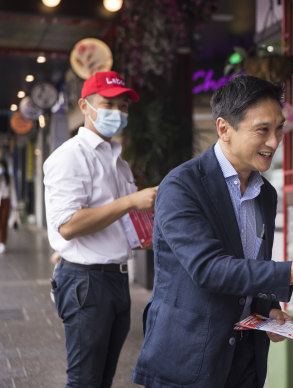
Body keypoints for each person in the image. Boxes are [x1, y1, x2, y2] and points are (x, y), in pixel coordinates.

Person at [132, 75, 293, 388]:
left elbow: (250, 267)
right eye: (262, 130)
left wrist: (268, 309)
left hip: (246, 358)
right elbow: (208, 269)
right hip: (189, 358)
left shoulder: (266, 193)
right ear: (224, 129)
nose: (274, 142)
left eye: (279, 129)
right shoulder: (182, 186)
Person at [44, 71, 158, 388]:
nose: (118, 113)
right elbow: (68, 225)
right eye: (108, 104)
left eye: (123, 107)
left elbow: (126, 223)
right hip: (86, 282)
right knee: (84, 379)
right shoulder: (69, 157)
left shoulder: (118, 161)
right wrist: (130, 201)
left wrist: (150, 233)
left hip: (115, 279)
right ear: (84, 105)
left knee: (103, 377)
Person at [0, 159, 14, 253]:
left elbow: (13, 192)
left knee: (4, 222)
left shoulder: (9, 178)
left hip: (6, 201)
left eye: (1, 167)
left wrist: (15, 206)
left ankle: (2, 242)